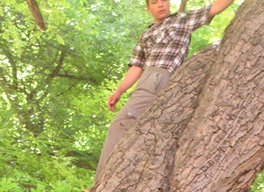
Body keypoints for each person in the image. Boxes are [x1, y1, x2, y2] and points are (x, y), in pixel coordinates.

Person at [94, 0, 234, 182]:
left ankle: (101, 183)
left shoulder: (181, 20)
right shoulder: (147, 33)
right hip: (147, 80)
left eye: (163, 0)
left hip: (164, 77)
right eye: (154, 2)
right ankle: (119, 181)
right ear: (148, 8)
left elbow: (215, 8)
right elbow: (137, 66)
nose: (160, 5)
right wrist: (118, 91)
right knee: (136, 130)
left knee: (121, 125)